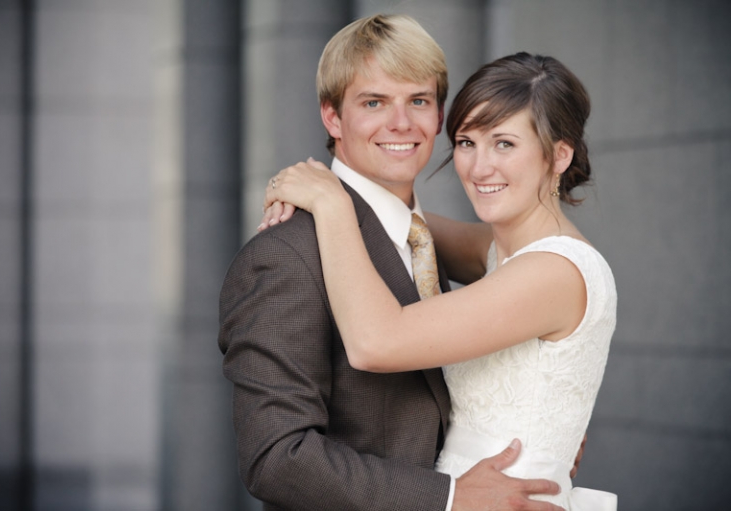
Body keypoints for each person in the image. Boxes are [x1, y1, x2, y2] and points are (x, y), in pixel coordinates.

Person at [219, 14, 565, 511]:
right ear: (332, 117)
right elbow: (276, 457)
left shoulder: (420, 239)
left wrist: (542, 436)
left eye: (418, 101)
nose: (401, 124)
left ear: (439, 113)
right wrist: (448, 498)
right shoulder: (284, 257)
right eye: (374, 102)